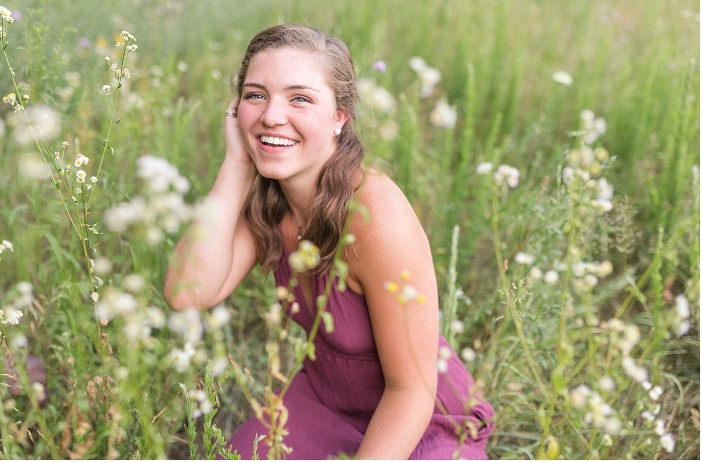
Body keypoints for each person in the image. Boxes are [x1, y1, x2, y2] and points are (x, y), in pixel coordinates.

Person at [164, 24, 494, 459]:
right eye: (255, 95)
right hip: (324, 401)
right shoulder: (267, 198)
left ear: (340, 116)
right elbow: (187, 293)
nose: (271, 116)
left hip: (420, 420)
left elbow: (412, 389)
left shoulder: (375, 214)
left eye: (299, 98)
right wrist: (237, 165)